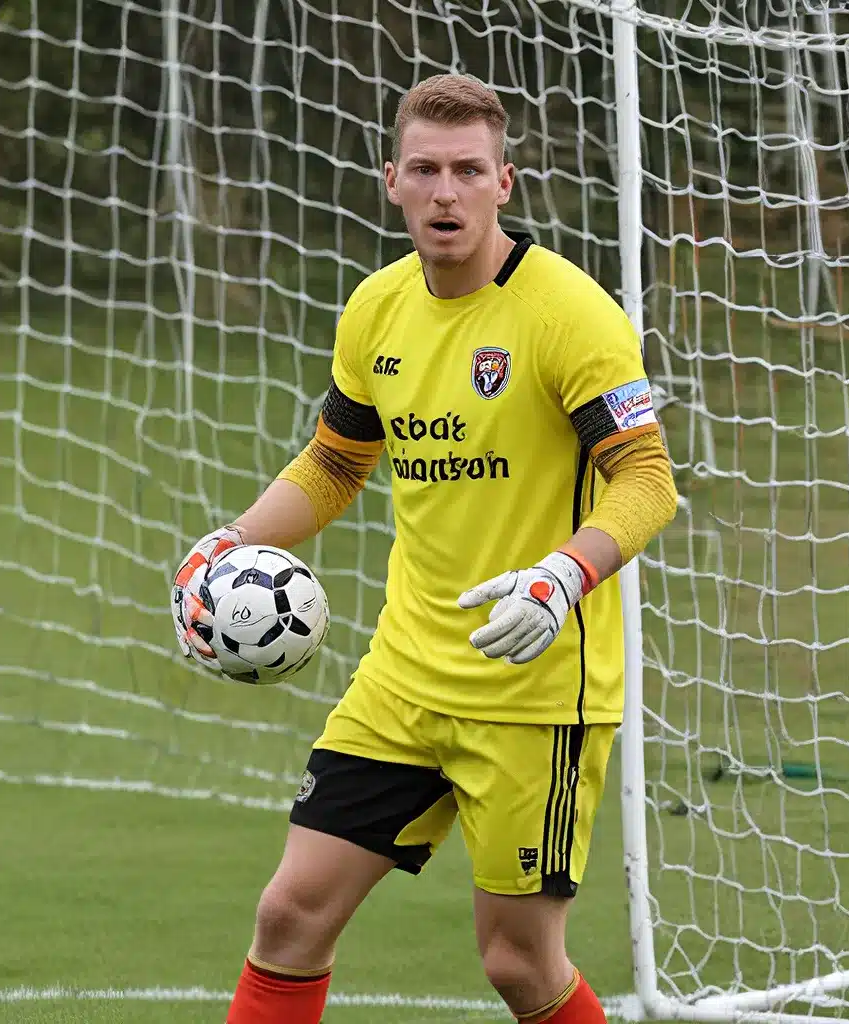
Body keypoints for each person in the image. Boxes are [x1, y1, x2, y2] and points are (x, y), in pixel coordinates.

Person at [174, 73, 677, 1024]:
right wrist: (229, 542)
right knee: (289, 914)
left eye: (468, 171)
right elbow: (334, 465)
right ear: (392, 182)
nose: (446, 192)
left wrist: (561, 575)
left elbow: (647, 482)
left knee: (518, 964)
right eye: (426, 170)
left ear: (505, 184)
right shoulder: (376, 310)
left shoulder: (571, 316)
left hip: (536, 694)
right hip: (404, 680)